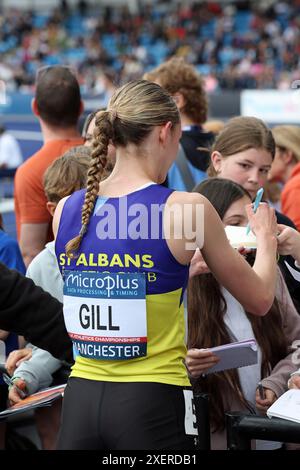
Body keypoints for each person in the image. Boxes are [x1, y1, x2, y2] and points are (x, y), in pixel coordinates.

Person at [53, 80, 278, 450]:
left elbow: (110, 283)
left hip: (80, 398)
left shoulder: (66, 210)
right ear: (166, 132)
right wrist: (266, 241)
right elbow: (260, 301)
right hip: (152, 400)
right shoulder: (186, 208)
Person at [186, 177, 300, 450]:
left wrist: (277, 382)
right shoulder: (182, 283)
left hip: (270, 433)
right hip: (209, 433)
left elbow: (296, 343)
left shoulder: (267, 276)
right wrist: (185, 367)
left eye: (250, 225)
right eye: (235, 224)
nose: (246, 233)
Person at [7, 146, 91, 449]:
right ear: (53, 210)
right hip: (58, 384)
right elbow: (40, 338)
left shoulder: (120, 258)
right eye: (82, 208)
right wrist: (28, 372)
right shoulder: (44, 264)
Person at [208, 116, 300, 312]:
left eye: (264, 170)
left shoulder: (277, 223)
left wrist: (298, 250)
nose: (254, 179)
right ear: (217, 161)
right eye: (245, 166)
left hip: (270, 338)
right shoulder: (190, 214)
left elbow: (294, 299)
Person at [14, 65, 84, 267]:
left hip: (57, 289)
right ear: (80, 107)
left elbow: (30, 252)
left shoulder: (30, 171)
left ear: (34, 107)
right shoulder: (105, 156)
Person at [144, 58, 214, 191]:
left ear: (177, 101)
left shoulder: (163, 147)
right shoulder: (220, 142)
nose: (148, 105)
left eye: (154, 97)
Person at [268, 125, 300, 230]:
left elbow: (294, 239)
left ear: (286, 155)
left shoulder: (295, 187)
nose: (265, 159)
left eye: (270, 152)